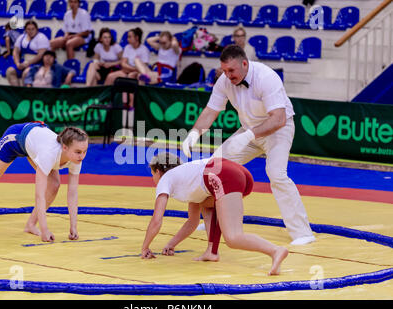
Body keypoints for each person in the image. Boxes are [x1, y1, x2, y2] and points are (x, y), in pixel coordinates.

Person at [182, 44, 316, 246]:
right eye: (224, 71)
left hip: (278, 130)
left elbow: (278, 118)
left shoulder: (266, 77)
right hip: (249, 130)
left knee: (276, 173)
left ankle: (303, 232)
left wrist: (247, 136)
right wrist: (193, 133)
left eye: (231, 71)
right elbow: (211, 111)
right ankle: (212, 218)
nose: (227, 75)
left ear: (245, 63)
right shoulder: (225, 81)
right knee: (214, 167)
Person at [141, 153, 288, 276]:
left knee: (233, 237)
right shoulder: (187, 177)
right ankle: (212, 251)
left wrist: (145, 247)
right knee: (205, 203)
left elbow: (156, 220)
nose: (153, 178)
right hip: (235, 172)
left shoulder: (165, 179)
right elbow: (192, 222)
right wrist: (171, 244)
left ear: (158, 171)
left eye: (152, 174)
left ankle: (275, 250)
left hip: (222, 175)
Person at [0, 123, 89, 243]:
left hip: (34, 142)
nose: (82, 156)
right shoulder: (49, 154)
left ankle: (30, 224)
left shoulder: (76, 159)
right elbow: (39, 194)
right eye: (78, 152)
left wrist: (73, 226)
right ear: (65, 147)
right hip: (15, 138)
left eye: (84, 152)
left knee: (54, 185)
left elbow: (73, 193)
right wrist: (45, 230)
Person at [105, 27, 150, 129]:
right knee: (111, 76)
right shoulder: (127, 48)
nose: (128, 39)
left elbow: (143, 68)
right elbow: (123, 64)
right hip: (127, 70)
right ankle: (105, 101)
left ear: (137, 37)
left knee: (131, 77)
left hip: (135, 73)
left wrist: (132, 70)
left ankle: (130, 106)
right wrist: (132, 68)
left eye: (130, 37)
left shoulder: (144, 50)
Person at [6, 20, 50, 86]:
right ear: (25, 30)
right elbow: (16, 51)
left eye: (33, 29)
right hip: (24, 62)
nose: (31, 31)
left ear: (37, 29)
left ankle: (25, 94)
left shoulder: (41, 38)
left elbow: (41, 55)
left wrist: (28, 63)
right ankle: (16, 92)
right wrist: (17, 63)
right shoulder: (21, 37)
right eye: (28, 29)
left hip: (37, 63)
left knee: (26, 73)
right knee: (10, 71)